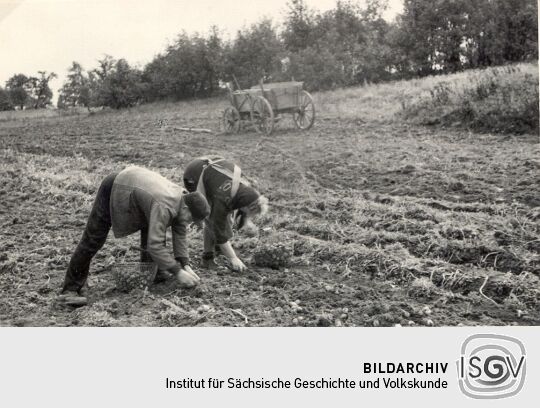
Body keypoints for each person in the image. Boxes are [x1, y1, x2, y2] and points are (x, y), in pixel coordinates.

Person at [57, 166, 211, 307]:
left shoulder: (183, 201)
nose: (189, 223)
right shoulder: (165, 205)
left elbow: (180, 231)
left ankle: (153, 273)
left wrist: (185, 265)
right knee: (93, 238)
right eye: (191, 219)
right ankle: (70, 289)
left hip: (139, 190)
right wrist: (177, 271)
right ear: (186, 208)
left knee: (156, 227)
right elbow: (155, 245)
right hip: (117, 185)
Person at [183, 156, 268, 272]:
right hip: (194, 175)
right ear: (247, 206)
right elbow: (217, 226)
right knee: (210, 217)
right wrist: (233, 258)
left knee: (225, 219)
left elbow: (238, 212)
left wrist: (247, 222)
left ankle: (219, 248)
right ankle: (207, 258)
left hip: (211, 167)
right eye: (249, 214)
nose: (248, 216)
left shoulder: (248, 190)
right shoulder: (223, 198)